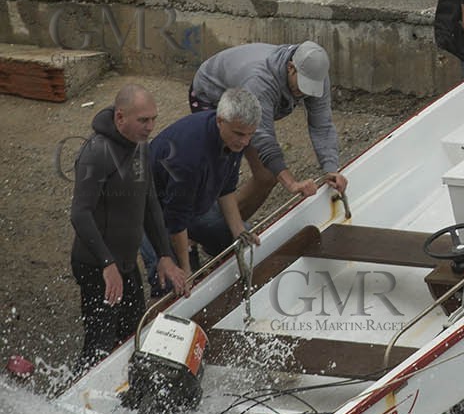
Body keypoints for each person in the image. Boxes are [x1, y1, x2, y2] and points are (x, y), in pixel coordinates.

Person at [69, 83, 188, 369]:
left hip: (124, 263)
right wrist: (106, 264)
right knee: (100, 345)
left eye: (153, 119)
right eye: (143, 120)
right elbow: (80, 213)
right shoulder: (97, 152)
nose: (150, 127)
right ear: (120, 117)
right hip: (96, 264)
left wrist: (164, 255)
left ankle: (126, 389)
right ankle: (78, 389)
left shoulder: (140, 147)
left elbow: (150, 204)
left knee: (134, 334)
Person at [189, 41, 347, 221]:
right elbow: (262, 136)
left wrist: (331, 169)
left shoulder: (316, 73)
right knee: (220, 172)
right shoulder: (261, 81)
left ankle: (225, 231)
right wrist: (291, 183)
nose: (305, 93)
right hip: (211, 96)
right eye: (303, 86)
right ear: (291, 68)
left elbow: (322, 125)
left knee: (267, 176)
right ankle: (202, 227)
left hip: (248, 98)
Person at [144, 87, 263, 283]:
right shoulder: (189, 156)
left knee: (242, 240)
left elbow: (226, 187)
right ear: (220, 121)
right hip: (153, 212)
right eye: (240, 134)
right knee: (172, 281)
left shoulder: (234, 138)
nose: (245, 142)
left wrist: (238, 231)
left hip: (193, 204)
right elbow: (176, 218)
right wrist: (186, 270)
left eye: (250, 134)